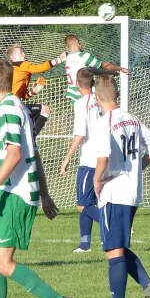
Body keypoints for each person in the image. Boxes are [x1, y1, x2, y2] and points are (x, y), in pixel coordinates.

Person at [0, 59, 75, 298]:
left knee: (2, 263)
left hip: (13, 193)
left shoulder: (8, 109)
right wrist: (44, 194)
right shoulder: (17, 106)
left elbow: (15, 153)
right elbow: (34, 152)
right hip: (7, 194)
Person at [93, 74, 150, 298]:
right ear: (117, 95)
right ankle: (149, 289)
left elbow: (102, 155)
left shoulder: (105, 122)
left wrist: (97, 179)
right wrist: (135, 169)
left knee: (113, 250)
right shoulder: (132, 119)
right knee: (120, 247)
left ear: (96, 97)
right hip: (132, 192)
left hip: (114, 191)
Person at [61, 67, 100, 253]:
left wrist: (67, 157)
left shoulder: (81, 103)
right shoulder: (100, 99)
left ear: (77, 84)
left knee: (82, 204)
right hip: (104, 158)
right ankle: (85, 245)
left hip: (90, 160)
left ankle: (117, 224)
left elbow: (80, 134)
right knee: (89, 203)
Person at [7, 44, 67, 135]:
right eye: (21, 53)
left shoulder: (15, 69)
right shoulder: (22, 65)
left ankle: (29, 137)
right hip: (14, 106)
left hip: (12, 105)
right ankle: (31, 137)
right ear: (14, 57)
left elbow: (23, 95)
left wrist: (33, 91)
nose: (24, 54)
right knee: (45, 109)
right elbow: (38, 68)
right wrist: (58, 60)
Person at [64, 34, 128, 106]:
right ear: (78, 42)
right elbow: (106, 66)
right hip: (84, 94)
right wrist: (121, 68)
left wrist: (112, 72)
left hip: (73, 94)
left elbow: (91, 71)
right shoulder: (84, 56)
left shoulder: (68, 57)